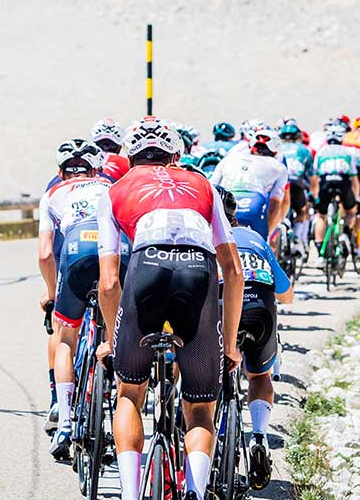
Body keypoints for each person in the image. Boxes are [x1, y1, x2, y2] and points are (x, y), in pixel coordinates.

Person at [96, 117, 244, 500]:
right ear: (176, 157)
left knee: (129, 393)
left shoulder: (114, 191)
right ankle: (195, 491)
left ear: (129, 157)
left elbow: (109, 282)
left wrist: (114, 341)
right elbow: (234, 271)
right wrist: (228, 346)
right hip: (200, 271)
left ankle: (130, 494)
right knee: (200, 408)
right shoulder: (204, 185)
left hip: (145, 268)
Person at [37, 138, 117, 460]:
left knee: (65, 336)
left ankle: (65, 418)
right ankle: (112, 406)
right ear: (97, 169)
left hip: (74, 255)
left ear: (60, 172)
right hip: (113, 257)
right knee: (115, 336)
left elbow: (45, 254)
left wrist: (51, 293)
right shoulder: (111, 187)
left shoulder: (53, 193)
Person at [215, 185, 293, 490]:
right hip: (261, 311)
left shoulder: (204, 237)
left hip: (224, 311)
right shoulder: (256, 239)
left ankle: (213, 436)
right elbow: (286, 294)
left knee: (205, 372)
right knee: (260, 376)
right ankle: (259, 435)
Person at [210, 126, 290, 244]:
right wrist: (266, 237)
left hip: (226, 202)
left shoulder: (229, 158)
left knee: (217, 247)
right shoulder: (279, 167)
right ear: (275, 151)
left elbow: (211, 188)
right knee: (260, 251)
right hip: (253, 204)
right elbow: (275, 205)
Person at [311, 123, 360, 251]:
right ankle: (345, 233)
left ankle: (319, 250)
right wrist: (355, 200)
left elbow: (315, 178)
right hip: (342, 181)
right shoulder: (348, 152)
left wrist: (315, 196)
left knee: (321, 216)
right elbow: (355, 180)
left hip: (325, 181)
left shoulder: (321, 152)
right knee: (351, 211)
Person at [278, 120, 314, 256]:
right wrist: (314, 196)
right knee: (302, 211)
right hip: (297, 183)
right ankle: (297, 237)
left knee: (278, 210)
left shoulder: (277, 148)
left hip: (281, 183)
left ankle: (281, 227)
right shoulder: (304, 150)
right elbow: (312, 178)